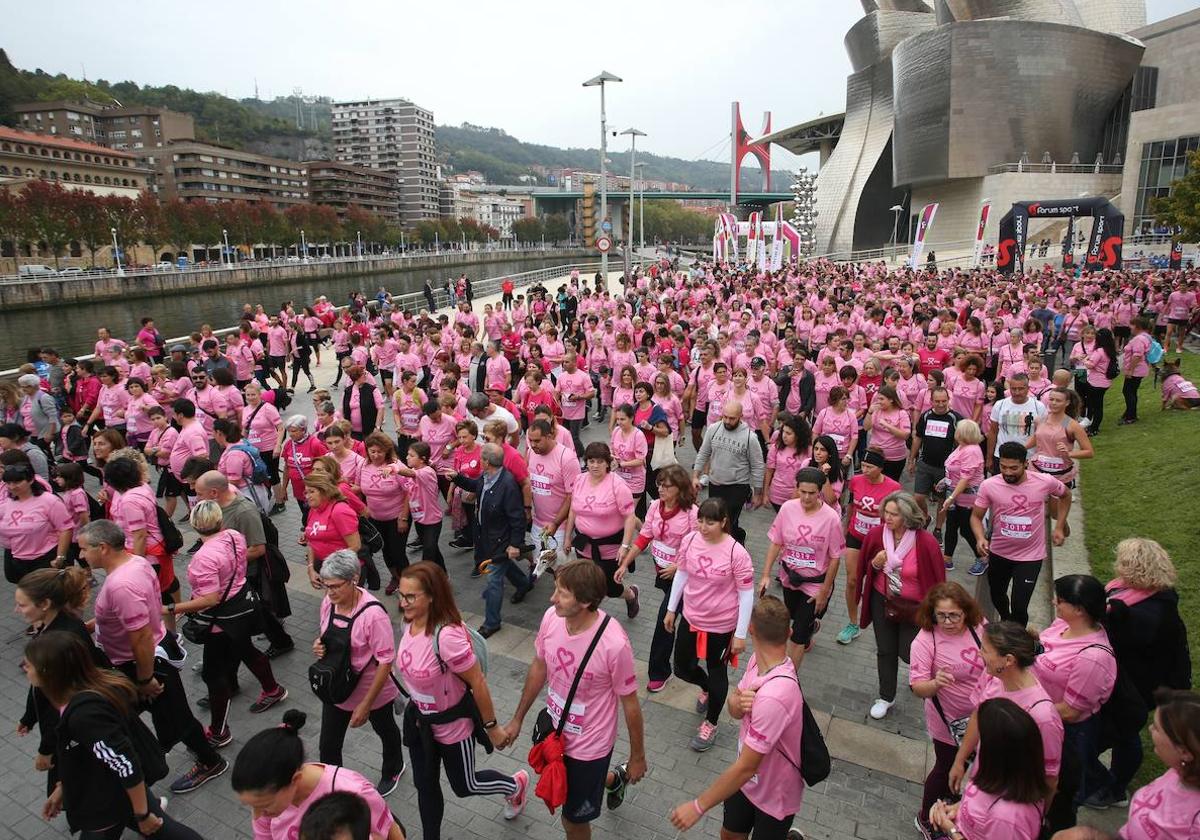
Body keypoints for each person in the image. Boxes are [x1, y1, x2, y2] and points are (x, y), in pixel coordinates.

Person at [77, 519, 229, 794]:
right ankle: (135, 767)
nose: (80, 555)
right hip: (140, 660)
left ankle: (209, 761)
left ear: (102, 548)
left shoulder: (121, 585)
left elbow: (141, 637)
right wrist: (93, 625)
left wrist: (145, 678)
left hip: (142, 665)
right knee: (137, 717)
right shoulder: (136, 562)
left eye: (84, 549)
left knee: (177, 719)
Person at [502, 560, 646, 839]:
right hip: (554, 734)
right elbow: (539, 666)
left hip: (590, 747)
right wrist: (517, 718)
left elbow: (630, 705)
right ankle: (614, 779)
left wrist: (637, 756)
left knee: (573, 821)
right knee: (572, 792)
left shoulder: (614, 644)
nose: (551, 598)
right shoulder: (550, 619)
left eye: (561, 593)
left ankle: (612, 775)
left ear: (585, 601)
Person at [27, 632, 204, 840]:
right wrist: (64, 787)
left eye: (29, 665)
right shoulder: (82, 693)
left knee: (163, 830)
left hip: (109, 798)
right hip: (113, 791)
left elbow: (125, 762)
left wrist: (142, 814)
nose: (25, 668)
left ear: (50, 673)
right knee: (165, 831)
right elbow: (87, 755)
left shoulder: (84, 716)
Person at [397, 563, 528, 840]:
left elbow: (477, 681)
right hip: (421, 723)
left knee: (465, 785)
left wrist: (492, 727)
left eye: (411, 596)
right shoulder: (407, 621)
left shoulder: (447, 636)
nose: (403, 602)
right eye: (401, 594)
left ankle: (514, 786)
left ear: (431, 596)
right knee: (425, 786)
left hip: (452, 726)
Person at [667, 596, 807, 840]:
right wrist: (736, 703)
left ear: (751, 629)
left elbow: (747, 767)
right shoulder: (756, 662)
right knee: (729, 835)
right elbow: (734, 707)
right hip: (746, 783)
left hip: (774, 794)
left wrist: (698, 806)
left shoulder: (776, 696)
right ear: (790, 632)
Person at [171, 501, 288, 746]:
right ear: (220, 520)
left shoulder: (203, 558)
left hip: (221, 620)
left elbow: (209, 599)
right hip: (242, 606)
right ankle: (273, 689)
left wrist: (173, 608)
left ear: (194, 524)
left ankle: (218, 731)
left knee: (214, 676)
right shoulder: (234, 536)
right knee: (247, 650)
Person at [1093, 537, 1191, 807]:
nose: (1117, 566)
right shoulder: (1137, 594)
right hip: (1131, 679)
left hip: (1138, 685)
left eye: (1122, 562)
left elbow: (1121, 642)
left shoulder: (1148, 613)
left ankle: (1114, 789)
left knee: (1125, 734)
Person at [664, 497, 755, 751]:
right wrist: (672, 608)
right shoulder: (690, 540)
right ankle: (704, 687)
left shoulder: (737, 552)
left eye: (711, 522)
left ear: (724, 522)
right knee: (681, 668)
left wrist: (739, 634)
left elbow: (746, 594)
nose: (703, 527)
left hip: (721, 626)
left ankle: (711, 723)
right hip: (691, 618)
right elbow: (682, 572)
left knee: (717, 672)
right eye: (701, 520)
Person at [313, 550, 406, 795]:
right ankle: (335, 787)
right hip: (337, 690)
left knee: (385, 730)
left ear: (354, 580)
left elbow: (386, 662)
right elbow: (326, 635)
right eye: (326, 586)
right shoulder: (328, 602)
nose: (330, 592)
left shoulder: (373, 615)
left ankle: (394, 766)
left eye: (335, 586)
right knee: (328, 745)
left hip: (371, 690)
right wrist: (319, 645)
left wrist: (366, 705)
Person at [232, 711, 404, 840]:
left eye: (264, 805)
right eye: (252, 806)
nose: (256, 816)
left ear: (294, 780)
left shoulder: (355, 794)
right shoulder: (266, 804)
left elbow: (392, 833)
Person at [949, 622, 1064, 809]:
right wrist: (960, 760)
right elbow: (978, 716)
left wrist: (1040, 816)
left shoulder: (1043, 716)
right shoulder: (993, 677)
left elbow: (1050, 777)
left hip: (1009, 803)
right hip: (982, 779)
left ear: (1008, 660)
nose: (979, 653)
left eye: (985, 650)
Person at [1035, 575, 1118, 831]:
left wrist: (1026, 711)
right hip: (1044, 718)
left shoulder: (1092, 658)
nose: (1053, 603)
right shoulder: (1063, 624)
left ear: (1079, 609)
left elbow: (1071, 711)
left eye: (1059, 600)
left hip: (1067, 734)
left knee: (1060, 798)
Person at [856, 491, 947, 720]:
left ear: (907, 516)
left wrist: (939, 611)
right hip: (883, 601)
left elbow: (938, 579)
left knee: (909, 651)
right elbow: (863, 567)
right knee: (885, 650)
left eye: (894, 514)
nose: (888, 518)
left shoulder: (925, 542)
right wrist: (875, 565)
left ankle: (920, 678)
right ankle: (886, 696)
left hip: (915, 606)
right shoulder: (877, 534)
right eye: (886, 512)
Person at [16, 566, 109, 789]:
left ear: (45, 604)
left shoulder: (56, 644)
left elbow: (55, 706)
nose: (17, 610)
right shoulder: (59, 623)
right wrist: (29, 716)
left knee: (85, 782)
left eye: (22, 604)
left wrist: (46, 750)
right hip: (78, 721)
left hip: (73, 729)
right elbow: (41, 690)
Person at [909, 582, 986, 835]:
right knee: (946, 766)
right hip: (949, 722)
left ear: (966, 611)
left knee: (971, 767)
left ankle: (955, 808)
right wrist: (935, 683)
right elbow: (917, 686)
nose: (948, 621)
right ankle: (926, 818)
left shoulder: (978, 627)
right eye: (941, 615)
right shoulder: (925, 640)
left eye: (954, 615)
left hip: (982, 716)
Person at [192, 470, 295, 658]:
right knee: (259, 612)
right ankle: (278, 641)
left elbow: (258, 548)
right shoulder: (217, 506)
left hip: (248, 573)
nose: (196, 497)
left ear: (214, 492)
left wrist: (224, 562)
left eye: (199, 493)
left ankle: (278, 643)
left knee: (259, 611)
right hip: (235, 573)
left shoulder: (244, 511)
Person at [615, 464, 698, 693]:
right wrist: (624, 563)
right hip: (661, 571)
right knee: (673, 618)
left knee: (665, 620)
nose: (660, 489)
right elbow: (644, 538)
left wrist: (678, 566)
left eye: (667, 486)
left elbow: (697, 548)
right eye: (659, 484)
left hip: (684, 577)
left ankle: (660, 672)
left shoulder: (692, 513)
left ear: (680, 489)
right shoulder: (654, 507)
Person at [971, 441, 1070, 626]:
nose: (1008, 472)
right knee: (997, 595)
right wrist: (980, 537)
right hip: (1000, 553)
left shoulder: (1044, 481)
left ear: (1025, 463)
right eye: (1003, 467)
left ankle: (1016, 638)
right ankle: (1005, 620)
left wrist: (1059, 526)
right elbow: (976, 517)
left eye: (1013, 468)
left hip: (1030, 557)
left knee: (1020, 605)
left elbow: (1065, 495)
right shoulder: (989, 485)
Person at [760, 467, 845, 669]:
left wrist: (824, 591)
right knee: (792, 618)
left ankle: (789, 678)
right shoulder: (788, 508)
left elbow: (835, 558)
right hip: (789, 577)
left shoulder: (831, 518)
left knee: (797, 636)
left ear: (819, 492)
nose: (806, 497)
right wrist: (765, 575)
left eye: (812, 493)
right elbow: (776, 542)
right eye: (802, 492)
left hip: (815, 585)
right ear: (797, 488)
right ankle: (810, 627)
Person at [929, 698, 1050, 840]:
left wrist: (951, 830)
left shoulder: (1008, 819)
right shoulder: (996, 778)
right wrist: (955, 809)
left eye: (981, 740)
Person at [447, 443, 531, 637]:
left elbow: (517, 518)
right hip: (487, 537)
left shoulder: (507, 484)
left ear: (486, 462)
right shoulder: (487, 476)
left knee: (494, 580)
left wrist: (514, 544)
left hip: (500, 541)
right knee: (504, 566)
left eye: (481, 457)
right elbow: (475, 485)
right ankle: (523, 584)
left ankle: (492, 622)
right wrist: (457, 478)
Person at [564, 442, 640, 617]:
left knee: (611, 589)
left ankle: (630, 594)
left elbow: (629, 517)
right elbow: (574, 509)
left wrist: (625, 546)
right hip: (584, 545)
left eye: (599, 461)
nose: (595, 465)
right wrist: (568, 536)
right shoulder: (580, 480)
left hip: (609, 550)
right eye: (591, 461)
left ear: (607, 462)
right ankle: (590, 619)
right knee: (587, 584)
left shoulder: (618, 485)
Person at [836, 450, 901, 646]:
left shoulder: (893, 487)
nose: (864, 470)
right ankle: (852, 624)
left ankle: (884, 620)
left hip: (879, 541)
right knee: (852, 580)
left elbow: (897, 516)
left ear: (880, 468)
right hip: (855, 537)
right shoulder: (856, 481)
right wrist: (846, 529)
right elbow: (853, 507)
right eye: (863, 465)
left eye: (869, 467)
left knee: (879, 584)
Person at [691, 400, 765, 544]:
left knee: (725, 524)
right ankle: (739, 535)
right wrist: (695, 476)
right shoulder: (713, 429)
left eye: (732, 418)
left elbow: (757, 466)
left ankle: (729, 553)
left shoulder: (750, 438)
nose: (727, 421)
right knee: (721, 520)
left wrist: (758, 493)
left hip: (737, 486)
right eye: (725, 417)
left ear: (740, 417)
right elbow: (703, 453)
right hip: (715, 483)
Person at [526, 418, 581, 579]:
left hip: (560, 527)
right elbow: (528, 483)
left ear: (550, 436)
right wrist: (527, 509)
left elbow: (573, 496)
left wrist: (556, 523)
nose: (533, 444)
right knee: (547, 566)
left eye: (537, 440)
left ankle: (566, 601)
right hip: (538, 525)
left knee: (563, 573)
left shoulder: (567, 458)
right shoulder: (531, 452)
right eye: (530, 440)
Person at [0, 462, 73, 582]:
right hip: (19, 560)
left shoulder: (49, 501)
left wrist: (60, 557)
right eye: (8, 483)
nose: (12, 486)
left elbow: (66, 529)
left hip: (44, 559)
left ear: (31, 480)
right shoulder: (7, 503)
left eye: (17, 482)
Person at [908, 387, 962, 527]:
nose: (941, 404)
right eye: (937, 401)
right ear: (931, 401)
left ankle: (938, 529)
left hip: (945, 468)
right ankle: (926, 518)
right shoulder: (926, 416)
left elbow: (961, 443)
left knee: (942, 500)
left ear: (948, 400)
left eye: (944, 401)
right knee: (918, 497)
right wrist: (911, 460)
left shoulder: (955, 418)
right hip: (925, 463)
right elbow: (918, 439)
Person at [940, 420, 986, 574]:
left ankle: (983, 557)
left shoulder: (972, 450)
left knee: (967, 529)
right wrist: (945, 482)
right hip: (954, 494)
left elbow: (966, 478)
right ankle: (947, 558)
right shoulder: (962, 447)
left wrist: (951, 497)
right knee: (951, 526)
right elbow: (953, 470)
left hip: (967, 498)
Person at [304, 474, 364, 587]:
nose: (307, 496)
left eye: (312, 492)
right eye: (306, 492)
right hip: (326, 569)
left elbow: (355, 546)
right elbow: (311, 541)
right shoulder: (314, 509)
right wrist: (310, 568)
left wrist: (331, 568)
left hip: (344, 570)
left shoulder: (340, 511)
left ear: (324, 491)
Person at [985, 373, 1046, 474]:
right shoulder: (1000, 405)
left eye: (1021, 389)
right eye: (1013, 389)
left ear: (1028, 388)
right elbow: (993, 432)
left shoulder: (1038, 407)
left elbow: (1041, 435)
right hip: (1001, 457)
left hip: (1028, 458)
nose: (1017, 392)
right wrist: (989, 457)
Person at [1081, 328, 1118, 435]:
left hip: (1095, 382)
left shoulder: (1099, 351)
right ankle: (1093, 426)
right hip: (1105, 381)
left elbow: (1091, 365)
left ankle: (1094, 428)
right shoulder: (1110, 350)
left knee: (1094, 405)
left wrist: (1085, 360)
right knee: (1098, 405)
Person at [1118, 316, 1152, 425]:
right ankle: (1129, 413)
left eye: (1132, 325)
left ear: (1138, 326)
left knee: (1128, 391)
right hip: (1140, 369)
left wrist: (1130, 371)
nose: (1130, 327)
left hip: (1136, 370)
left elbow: (1137, 356)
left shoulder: (1139, 339)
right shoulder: (1146, 337)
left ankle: (1131, 416)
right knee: (1131, 391)